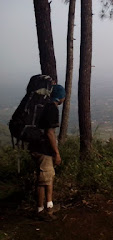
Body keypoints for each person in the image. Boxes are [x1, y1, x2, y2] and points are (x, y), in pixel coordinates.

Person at [28, 84, 66, 220]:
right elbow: (50, 132)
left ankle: (49, 207)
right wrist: (57, 153)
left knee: (47, 178)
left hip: (36, 147)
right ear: (60, 97)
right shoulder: (51, 108)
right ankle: (41, 211)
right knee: (43, 180)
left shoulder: (43, 105)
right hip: (43, 150)